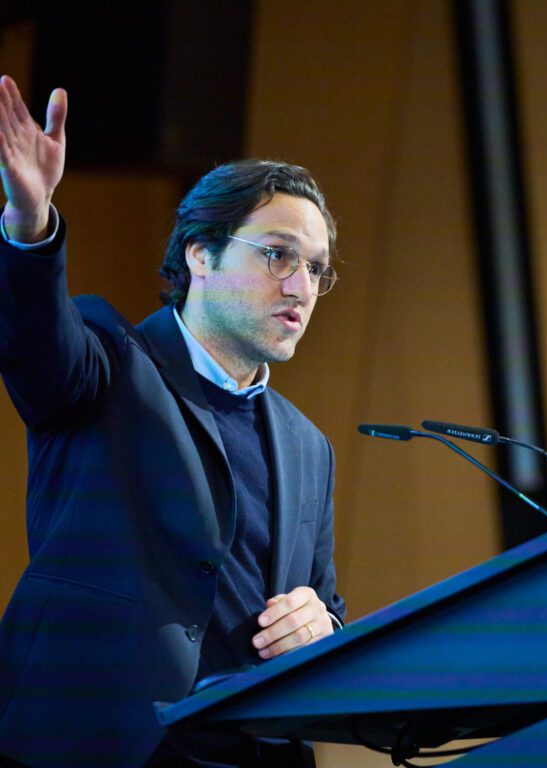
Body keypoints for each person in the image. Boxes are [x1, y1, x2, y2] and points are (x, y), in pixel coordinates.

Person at [0, 75, 345, 768]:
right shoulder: (107, 364)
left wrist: (325, 626)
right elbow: (34, 340)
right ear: (201, 254)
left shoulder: (309, 446)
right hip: (95, 743)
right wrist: (30, 225)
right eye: (277, 254)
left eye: (316, 269)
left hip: (251, 752)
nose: (301, 287)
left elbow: (324, 601)